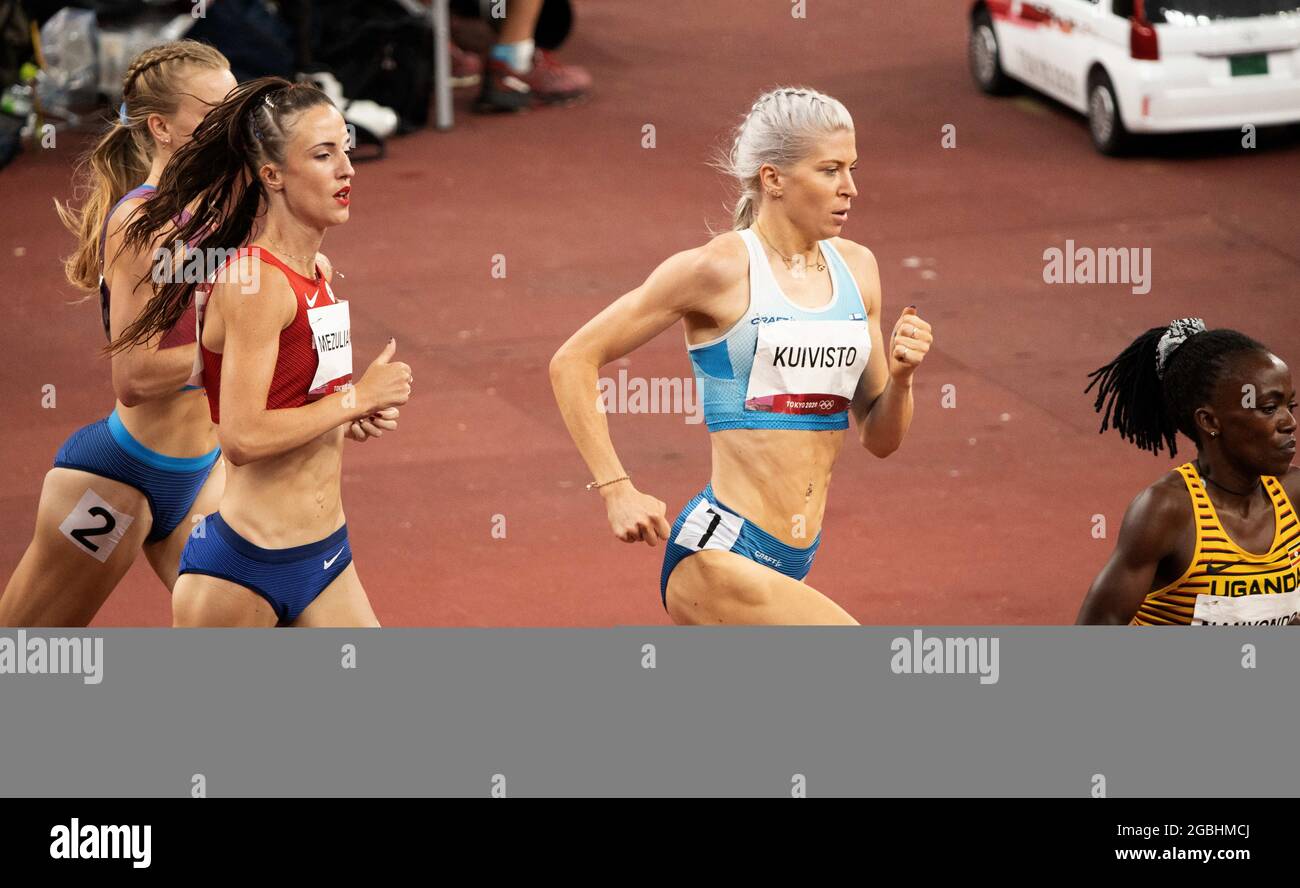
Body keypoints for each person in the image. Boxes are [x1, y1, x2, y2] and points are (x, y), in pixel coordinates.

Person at [550, 87, 932, 625]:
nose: (851, 188)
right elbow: (573, 359)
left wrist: (904, 378)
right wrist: (617, 489)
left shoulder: (858, 269)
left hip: (792, 559)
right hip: (719, 550)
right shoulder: (718, 270)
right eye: (829, 170)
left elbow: (880, 438)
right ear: (773, 178)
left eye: (851, 168)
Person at [112, 77, 412, 627]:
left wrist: (350, 415)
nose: (347, 168)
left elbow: (295, 401)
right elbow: (243, 437)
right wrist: (354, 400)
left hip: (325, 558)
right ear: (271, 175)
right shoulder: (256, 280)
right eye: (323, 155)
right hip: (244, 571)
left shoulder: (315, 272)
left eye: (345, 148)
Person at [0, 40, 236, 627]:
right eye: (213, 112)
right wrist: (235, 355)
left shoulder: (222, 205)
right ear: (160, 126)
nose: (231, 122)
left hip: (202, 475)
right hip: (116, 482)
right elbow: (133, 377)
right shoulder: (140, 219)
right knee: (27, 657)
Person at [1077, 319, 1299, 625]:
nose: (1289, 423)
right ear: (1209, 421)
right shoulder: (1167, 512)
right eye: (1269, 408)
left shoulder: (1293, 496)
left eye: (1291, 405)